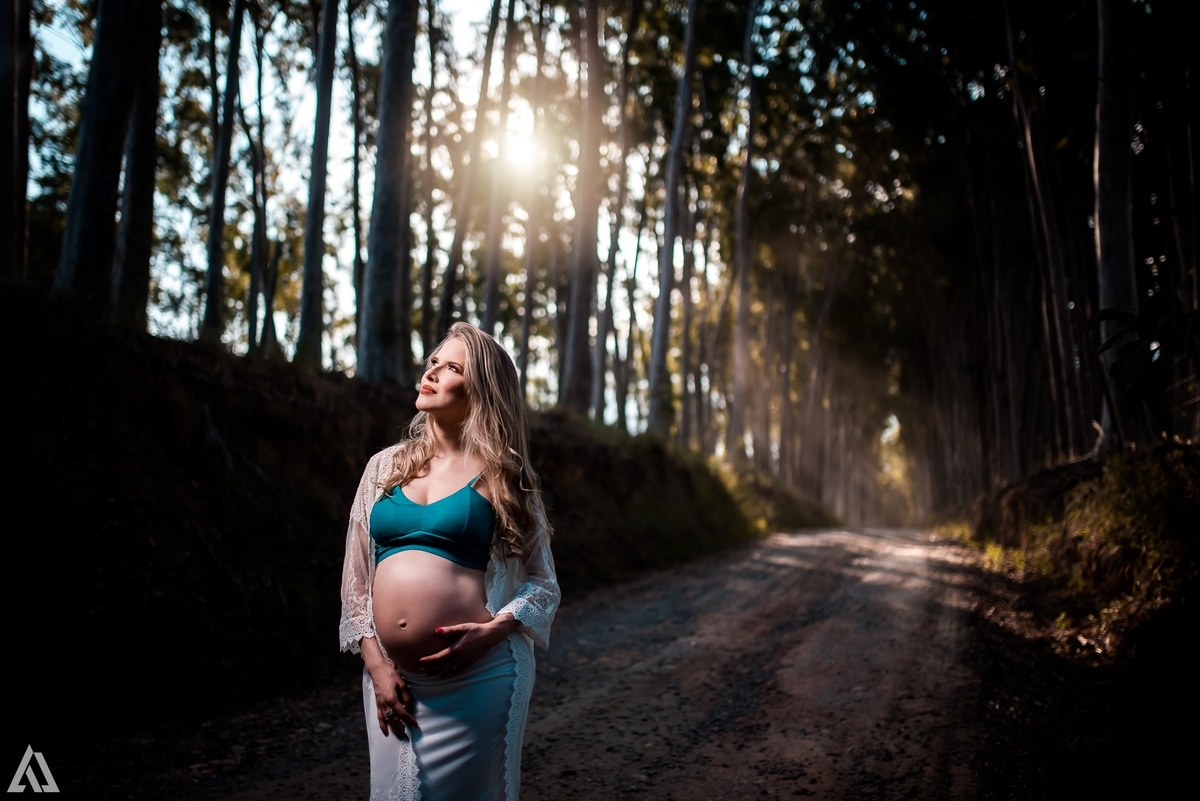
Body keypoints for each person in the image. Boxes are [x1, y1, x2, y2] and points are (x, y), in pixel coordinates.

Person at [339, 322, 560, 801]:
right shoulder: (383, 467)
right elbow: (355, 582)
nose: (433, 373)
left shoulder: (505, 476)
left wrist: (494, 632)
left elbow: (544, 583)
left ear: (480, 388)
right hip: (392, 681)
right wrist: (377, 665)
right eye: (433, 362)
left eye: (452, 367)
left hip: (481, 675)